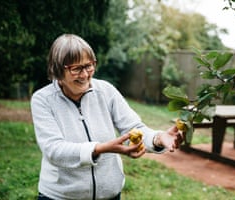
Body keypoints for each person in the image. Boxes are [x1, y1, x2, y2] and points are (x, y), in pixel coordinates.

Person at [31, 33, 185, 200]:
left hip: (109, 196)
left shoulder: (106, 91)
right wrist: (100, 149)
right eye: (76, 69)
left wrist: (158, 138)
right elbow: (54, 150)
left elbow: (133, 128)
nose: (84, 75)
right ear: (58, 69)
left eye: (89, 66)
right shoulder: (43, 100)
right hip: (61, 196)